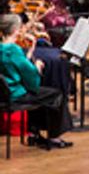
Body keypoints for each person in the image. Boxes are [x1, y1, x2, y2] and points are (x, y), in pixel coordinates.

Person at [0, 13, 72, 149]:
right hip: (16, 94)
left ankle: (34, 132)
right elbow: (30, 76)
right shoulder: (13, 49)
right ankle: (54, 136)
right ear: (15, 30)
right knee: (56, 94)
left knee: (40, 93)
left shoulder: (2, 48)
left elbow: (12, 67)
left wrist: (28, 55)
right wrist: (37, 66)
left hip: (4, 92)